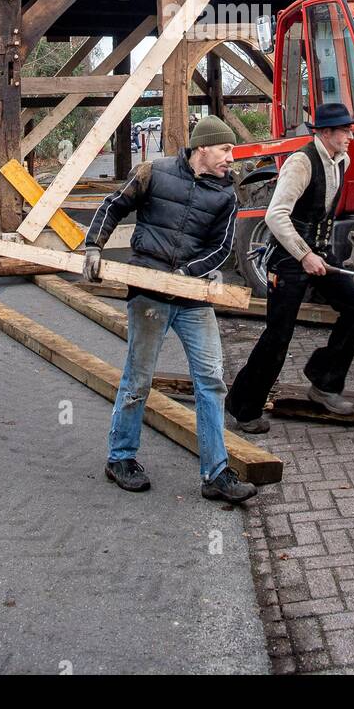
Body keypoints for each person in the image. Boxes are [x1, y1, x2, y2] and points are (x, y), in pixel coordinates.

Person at [83, 115, 256, 504]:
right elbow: (114, 205)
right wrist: (93, 245)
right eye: (225, 149)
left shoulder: (227, 194)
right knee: (139, 379)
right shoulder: (154, 173)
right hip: (149, 292)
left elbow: (222, 248)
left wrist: (188, 273)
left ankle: (216, 474)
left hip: (192, 297)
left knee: (211, 380)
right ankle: (120, 458)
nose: (232, 157)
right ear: (203, 148)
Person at [225, 101, 354, 434]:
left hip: (317, 252)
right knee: (278, 334)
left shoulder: (341, 160)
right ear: (327, 133)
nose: (351, 135)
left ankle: (324, 383)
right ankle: (243, 407)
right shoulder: (302, 162)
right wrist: (304, 255)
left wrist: (320, 253)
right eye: (345, 130)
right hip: (289, 258)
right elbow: (275, 216)